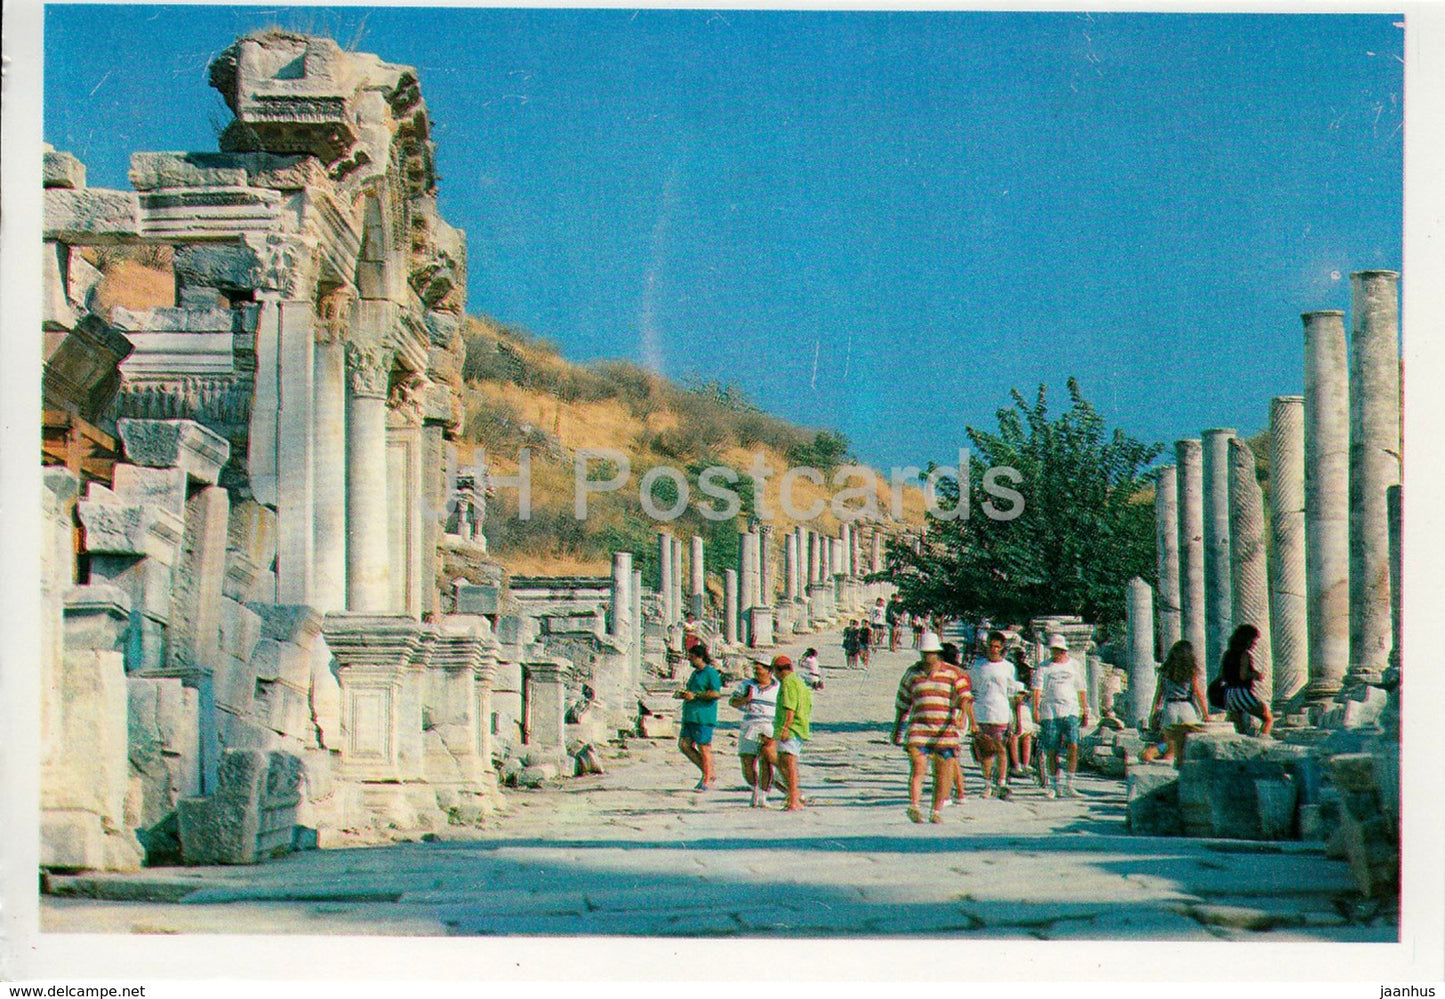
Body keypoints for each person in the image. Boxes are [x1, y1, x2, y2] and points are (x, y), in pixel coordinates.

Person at [892, 633, 972, 823]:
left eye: (930, 653)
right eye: (924, 653)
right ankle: (914, 806)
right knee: (918, 768)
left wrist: (962, 717)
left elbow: (965, 698)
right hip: (918, 728)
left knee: (942, 774)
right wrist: (897, 729)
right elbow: (903, 703)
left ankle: (935, 811)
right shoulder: (913, 674)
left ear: (937, 653)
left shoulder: (953, 673)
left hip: (944, 730)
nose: (926, 657)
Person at [1032, 633, 1089, 798]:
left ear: (1065, 650)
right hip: (1050, 711)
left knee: (1073, 745)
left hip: (1070, 709)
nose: (1057, 653)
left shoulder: (1074, 665)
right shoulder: (1044, 667)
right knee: (1051, 749)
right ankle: (1054, 785)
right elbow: (1037, 689)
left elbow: (1081, 688)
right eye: (1054, 650)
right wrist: (1035, 709)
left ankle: (1069, 783)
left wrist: (1085, 709)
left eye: (1060, 650)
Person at [1142, 639, 1209, 766]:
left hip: (1170, 707)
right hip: (1187, 707)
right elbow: (1198, 694)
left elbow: (1158, 696)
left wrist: (1153, 714)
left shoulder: (1165, 672)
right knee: (1188, 744)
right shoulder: (1191, 672)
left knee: (1171, 748)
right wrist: (1205, 714)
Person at [969, 630, 1015, 799]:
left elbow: (1012, 691)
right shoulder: (978, 666)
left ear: (1002, 647)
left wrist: (1014, 716)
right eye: (991, 646)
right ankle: (987, 783)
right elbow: (971, 688)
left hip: (1001, 711)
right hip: (982, 711)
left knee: (1000, 747)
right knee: (985, 750)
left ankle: (1001, 782)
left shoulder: (1008, 667)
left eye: (997, 647)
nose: (993, 649)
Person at [729, 659, 781, 807]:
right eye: (755, 669)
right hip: (750, 724)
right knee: (747, 760)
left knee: (766, 761)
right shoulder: (746, 685)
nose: (757, 672)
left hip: (769, 725)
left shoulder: (778, 687)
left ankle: (764, 795)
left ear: (769, 671)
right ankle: (755, 788)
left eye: (760, 669)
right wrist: (746, 699)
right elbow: (732, 702)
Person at [763, 654, 811, 811]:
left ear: (777, 670)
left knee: (789, 765)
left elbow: (789, 708)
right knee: (786, 764)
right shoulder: (799, 682)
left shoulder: (788, 683)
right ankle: (794, 797)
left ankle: (794, 800)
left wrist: (785, 728)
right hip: (799, 727)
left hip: (791, 729)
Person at [674, 642, 723, 790]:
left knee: (704, 747)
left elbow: (716, 693)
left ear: (700, 657)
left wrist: (695, 695)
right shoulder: (695, 674)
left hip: (704, 716)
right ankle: (708, 771)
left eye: (692, 657)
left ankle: (707, 778)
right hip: (690, 716)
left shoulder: (711, 673)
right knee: (684, 745)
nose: (689, 660)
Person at [1221, 624, 1273, 737]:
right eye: (1252, 641)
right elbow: (1243, 675)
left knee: (1238, 727)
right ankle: (1263, 742)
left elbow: (1222, 675)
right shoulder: (1244, 655)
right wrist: (1255, 675)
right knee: (1268, 718)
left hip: (1229, 693)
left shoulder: (1227, 654)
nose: (1254, 644)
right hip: (1241, 693)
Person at [1007, 647, 1040, 784]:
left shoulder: (1017, 672)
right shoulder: (1022, 673)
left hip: (1018, 709)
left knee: (1020, 736)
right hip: (1019, 709)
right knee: (1022, 735)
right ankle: (1022, 764)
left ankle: (1019, 765)